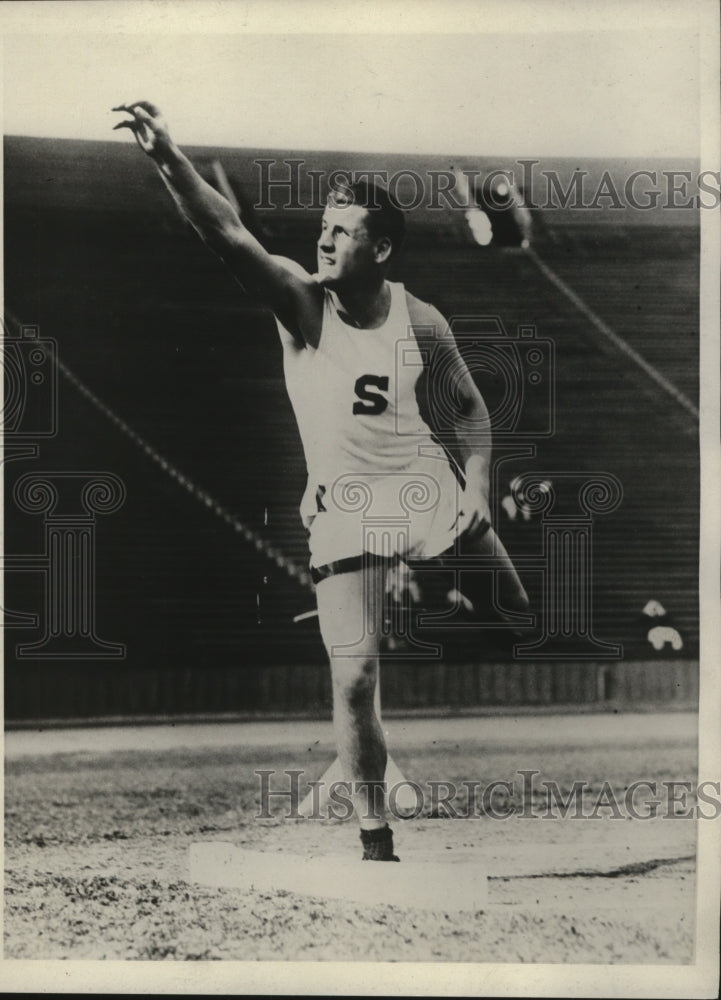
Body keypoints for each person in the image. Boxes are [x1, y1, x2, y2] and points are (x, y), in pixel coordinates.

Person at [113, 101, 529, 861]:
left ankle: (437, 586)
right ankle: (375, 843)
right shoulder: (302, 305)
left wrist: (474, 483)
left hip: (421, 485)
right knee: (355, 676)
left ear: (382, 248)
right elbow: (226, 233)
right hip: (346, 506)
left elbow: (469, 412)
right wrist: (168, 158)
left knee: (517, 621)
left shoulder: (421, 321)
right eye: (323, 228)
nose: (323, 238)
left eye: (342, 231)